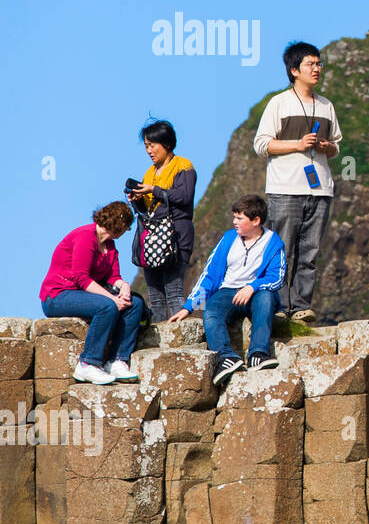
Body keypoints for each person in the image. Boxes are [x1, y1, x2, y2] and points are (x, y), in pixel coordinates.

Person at [253, 42, 341, 323]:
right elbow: (261, 144)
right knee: (281, 249)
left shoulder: (327, 105)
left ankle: (301, 305)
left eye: (319, 64)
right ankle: (276, 306)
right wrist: (297, 144)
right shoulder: (279, 103)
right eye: (310, 64)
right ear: (294, 70)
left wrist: (327, 146)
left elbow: (337, 145)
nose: (317, 69)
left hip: (320, 188)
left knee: (310, 251)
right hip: (285, 188)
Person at [168, 195, 285, 385]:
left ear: (256, 221)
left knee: (266, 299)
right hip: (227, 292)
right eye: (234, 217)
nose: (234, 222)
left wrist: (252, 287)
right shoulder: (229, 238)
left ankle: (257, 354)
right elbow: (210, 276)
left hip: (257, 292)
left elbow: (276, 277)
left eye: (240, 218)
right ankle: (226, 357)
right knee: (212, 310)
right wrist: (188, 307)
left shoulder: (273, 242)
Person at [38, 201, 145, 384]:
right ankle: (87, 364)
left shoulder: (110, 246)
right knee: (107, 307)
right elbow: (81, 278)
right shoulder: (85, 236)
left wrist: (124, 286)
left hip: (83, 295)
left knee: (135, 304)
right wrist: (112, 299)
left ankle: (117, 361)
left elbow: (113, 277)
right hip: (57, 296)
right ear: (120, 225)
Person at [127, 119, 197, 319]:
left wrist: (154, 190)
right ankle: (157, 340)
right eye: (146, 146)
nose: (149, 150)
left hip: (176, 235)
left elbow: (184, 197)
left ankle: (180, 338)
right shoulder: (149, 172)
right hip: (153, 238)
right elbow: (149, 210)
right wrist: (137, 200)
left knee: (174, 291)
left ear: (166, 143)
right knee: (155, 295)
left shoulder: (183, 165)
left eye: (152, 145)